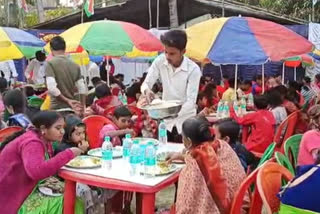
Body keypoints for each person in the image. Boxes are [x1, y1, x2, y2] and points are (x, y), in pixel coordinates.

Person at [0, 111, 83, 213]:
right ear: (43, 129)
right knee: (69, 202)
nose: (62, 132)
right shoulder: (32, 143)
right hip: (12, 198)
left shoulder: (42, 139)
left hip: (25, 188)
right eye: (58, 128)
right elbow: (36, 172)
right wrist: (69, 154)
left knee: (73, 194)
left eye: (63, 127)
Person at [170, 116, 246, 214]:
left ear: (187, 141)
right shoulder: (223, 145)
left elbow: (185, 208)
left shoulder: (193, 168)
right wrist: (183, 157)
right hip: (239, 205)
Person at [140, 30, 201, 142]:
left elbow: (190, 102)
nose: (167, 56)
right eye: (165, 52)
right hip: (165, 124)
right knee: (163, 154)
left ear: (183, 51)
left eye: (172, 53)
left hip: (186, 123)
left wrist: (169, 113)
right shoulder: (160, 61)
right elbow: (146, 84)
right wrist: (147, 91)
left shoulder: (193, 70)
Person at [45, 36, 86, 113]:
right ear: (65, 48)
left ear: (51, 49)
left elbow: (52, 88)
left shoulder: (50, 64)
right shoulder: (75, 65)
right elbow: (82, 88)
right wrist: (83, 107)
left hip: (57, 109)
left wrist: (67, 100)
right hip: (72, 109)